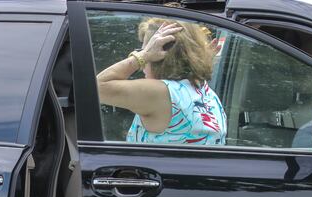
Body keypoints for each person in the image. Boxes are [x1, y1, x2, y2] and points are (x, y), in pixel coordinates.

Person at [97, 18, 227, 145]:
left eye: (147, 49)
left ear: (160, 55)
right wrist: (197, 61)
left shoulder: (163, 93)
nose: (143, 63)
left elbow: (95, 88)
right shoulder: (205, 93)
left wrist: (142, 56)